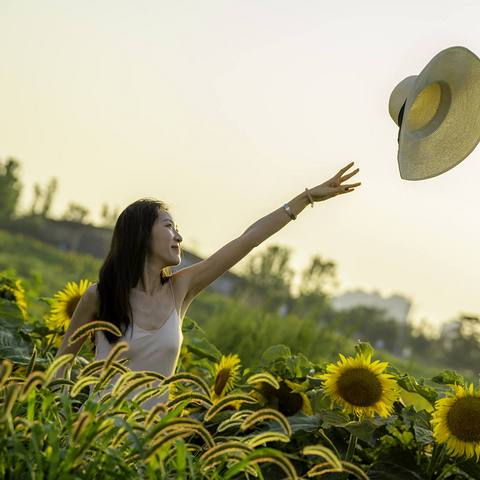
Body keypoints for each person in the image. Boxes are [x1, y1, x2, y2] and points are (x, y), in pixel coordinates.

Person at [53, 162, 360, 412]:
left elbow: (248, 239)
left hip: (145, 453)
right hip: (92, 444)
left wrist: (305, 198)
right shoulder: (99, 295)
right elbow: (60, 366)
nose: (179, 237)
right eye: (169, 227)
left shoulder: (180, 289)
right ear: (141, 234)